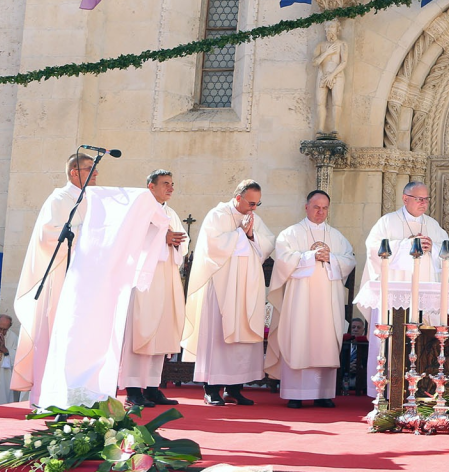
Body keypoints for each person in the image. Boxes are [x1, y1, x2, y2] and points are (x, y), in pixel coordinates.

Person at [12, 152, 96, 406]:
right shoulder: (59, 199)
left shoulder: (91, 200)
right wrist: (85, 235)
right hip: (60, 275)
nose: (96, 174)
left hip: (84, 278)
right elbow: (48, 236)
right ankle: (46, 397)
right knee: (54, 333)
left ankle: (78, 395)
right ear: (75, 172)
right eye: (90, 169)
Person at [182, 180, 275, 406]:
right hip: (221, 285)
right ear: (238, 198)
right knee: (218, 335)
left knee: (243, 334)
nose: (254, 208)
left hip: (246, 285)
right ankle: (211, 388)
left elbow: (268, 245)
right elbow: (212, 247)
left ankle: (235, 388)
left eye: (257, 203)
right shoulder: (217, 215)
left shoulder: (255, 219)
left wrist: (252, 235)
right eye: (251, 203)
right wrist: (241, 233)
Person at [360, 181, 449, 393]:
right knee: (390, 340)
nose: (423, 203)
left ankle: (423, 390)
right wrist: (407, 246)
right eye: (419, 199)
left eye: (426, 199)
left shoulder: (432, 225)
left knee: (424, 340)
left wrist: (433, 248)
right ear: (405, 198)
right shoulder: (387, 222)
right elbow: (374, 249)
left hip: (424, 293)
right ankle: (384, 392)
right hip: (394, 295)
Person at [265, 190, 356, 409]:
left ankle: (322, 393)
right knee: (300, 337)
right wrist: (310, 256)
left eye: (324, 208)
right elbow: (283, 259)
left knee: (324, 340)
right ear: (306, 207)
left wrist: (331, 258)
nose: (320, 212)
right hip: (300, 300)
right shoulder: (290, 234)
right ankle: (295, 393)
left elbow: (349, 260)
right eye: (316, 207)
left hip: (328, 300)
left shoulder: (337, 237)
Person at [119, 169, 189, 408]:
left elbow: (183, 241)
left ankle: (151, 387)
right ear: (151, 186)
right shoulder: (139, 210)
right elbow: (130, 241)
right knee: (140, 329)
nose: (170, 188)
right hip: (144, 280)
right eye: (165, 184)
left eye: (172, 184)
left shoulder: (170, 212)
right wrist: (163, 239)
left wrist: (177, 241)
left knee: (160, 330)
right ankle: (132, 389)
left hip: (166, 277)